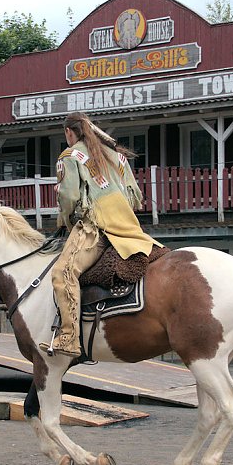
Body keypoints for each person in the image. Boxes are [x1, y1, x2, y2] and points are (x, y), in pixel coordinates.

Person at [40, 111, 162, 357]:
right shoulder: (117, 155)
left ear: (69, 132)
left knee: (63, 273)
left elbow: (69, 197)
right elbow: (133, 195)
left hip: (96, 227)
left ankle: (69, 337)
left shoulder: (70, 156)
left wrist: (64, 219)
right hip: (128, 228)